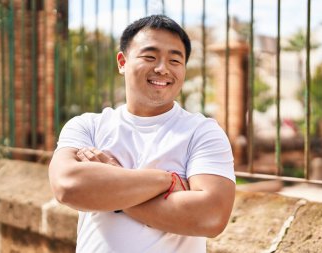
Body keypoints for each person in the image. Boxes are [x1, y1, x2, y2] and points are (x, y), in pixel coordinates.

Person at [49, 15, 235, 253]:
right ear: (122, 62)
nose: (162, 69)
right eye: (150, 57)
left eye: (175, 60)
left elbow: (210, 217)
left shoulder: (202, 132)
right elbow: (68, 186)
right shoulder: (88, 126)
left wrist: (108, 187)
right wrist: (167, 181)